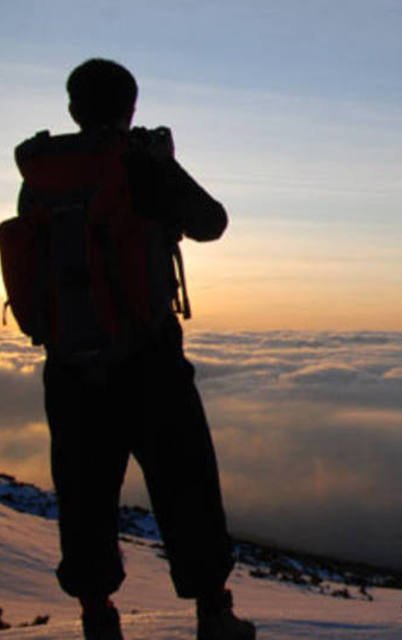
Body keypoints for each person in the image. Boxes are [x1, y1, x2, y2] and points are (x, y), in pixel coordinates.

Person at [14, 59, 255, 640]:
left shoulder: (43, 175)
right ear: (130, 107)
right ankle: (214, 617)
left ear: (73, 109)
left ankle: (98, 619)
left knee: (84, 495)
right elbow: (211, 221)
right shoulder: (138, 164)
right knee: (186, 486)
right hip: (149, 363)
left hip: (70, 368)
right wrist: (159, 166)